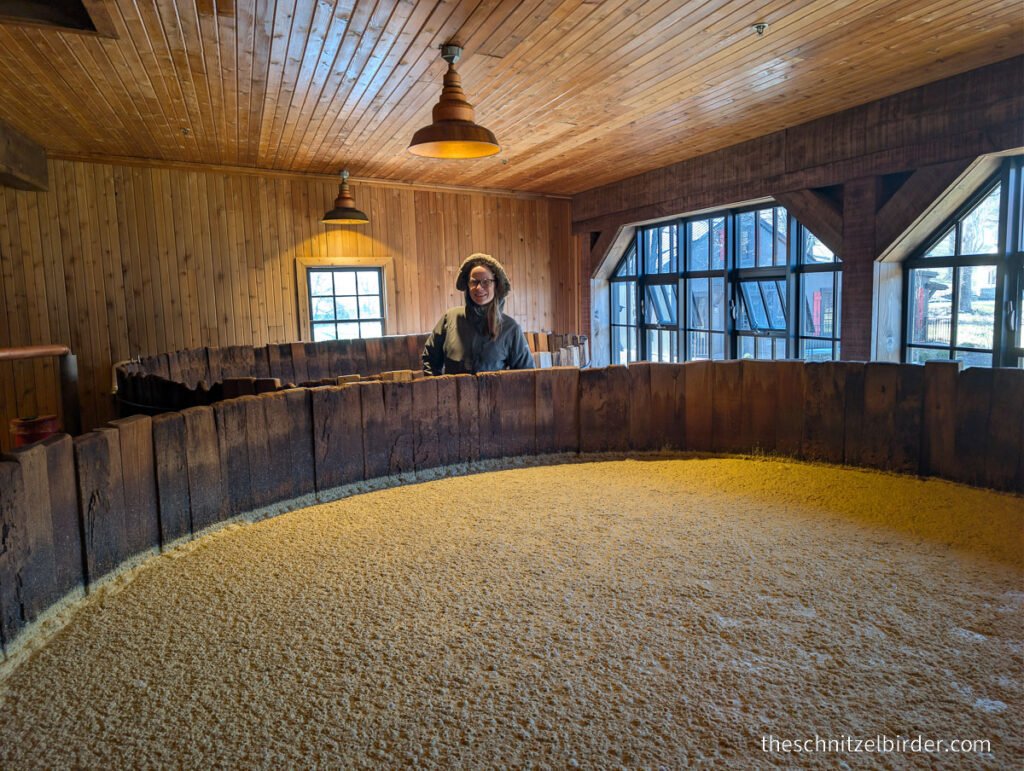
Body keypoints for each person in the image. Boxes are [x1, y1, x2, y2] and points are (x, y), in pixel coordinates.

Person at [422, 253, 534, 375]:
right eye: (474, 282)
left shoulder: (510, 328)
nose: (479, 287)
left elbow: (526, 374)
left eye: (486, 282)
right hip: (452, 394)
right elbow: (430, 359)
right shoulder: (450, 319)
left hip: (493, 394)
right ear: (467, 285)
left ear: (496, 285)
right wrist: (438, 389)